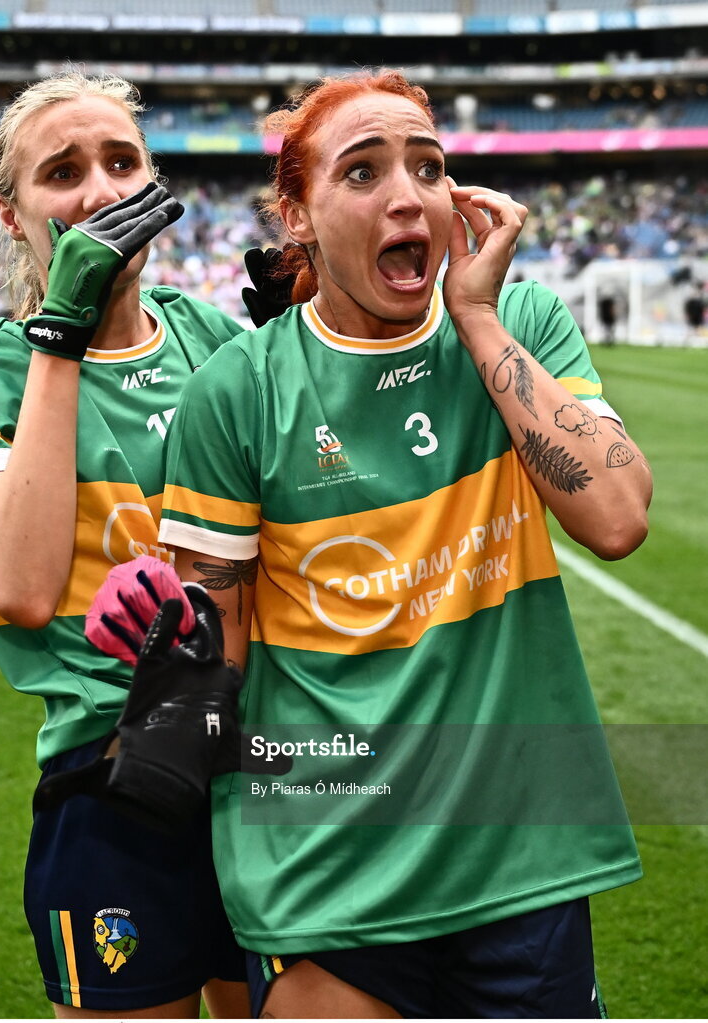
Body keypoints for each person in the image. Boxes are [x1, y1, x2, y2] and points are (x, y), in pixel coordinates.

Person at [158, 70, 653, 1019]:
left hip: (521, 856)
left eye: (428, 167)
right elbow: (211, 664)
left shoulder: (522, 324)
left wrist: (475, 318)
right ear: (298, 214)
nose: (405, 195)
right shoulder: (240, 390)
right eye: (362, 172)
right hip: (326, 867)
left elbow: (619, 516)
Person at [0, 69, 251, 1019]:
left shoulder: (216, 342)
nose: (101, 191)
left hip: (256, 757)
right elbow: (19, 587)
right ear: (15, 216)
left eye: (121, 161)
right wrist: (60, 333)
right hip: (109, 781)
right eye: (62, 173)